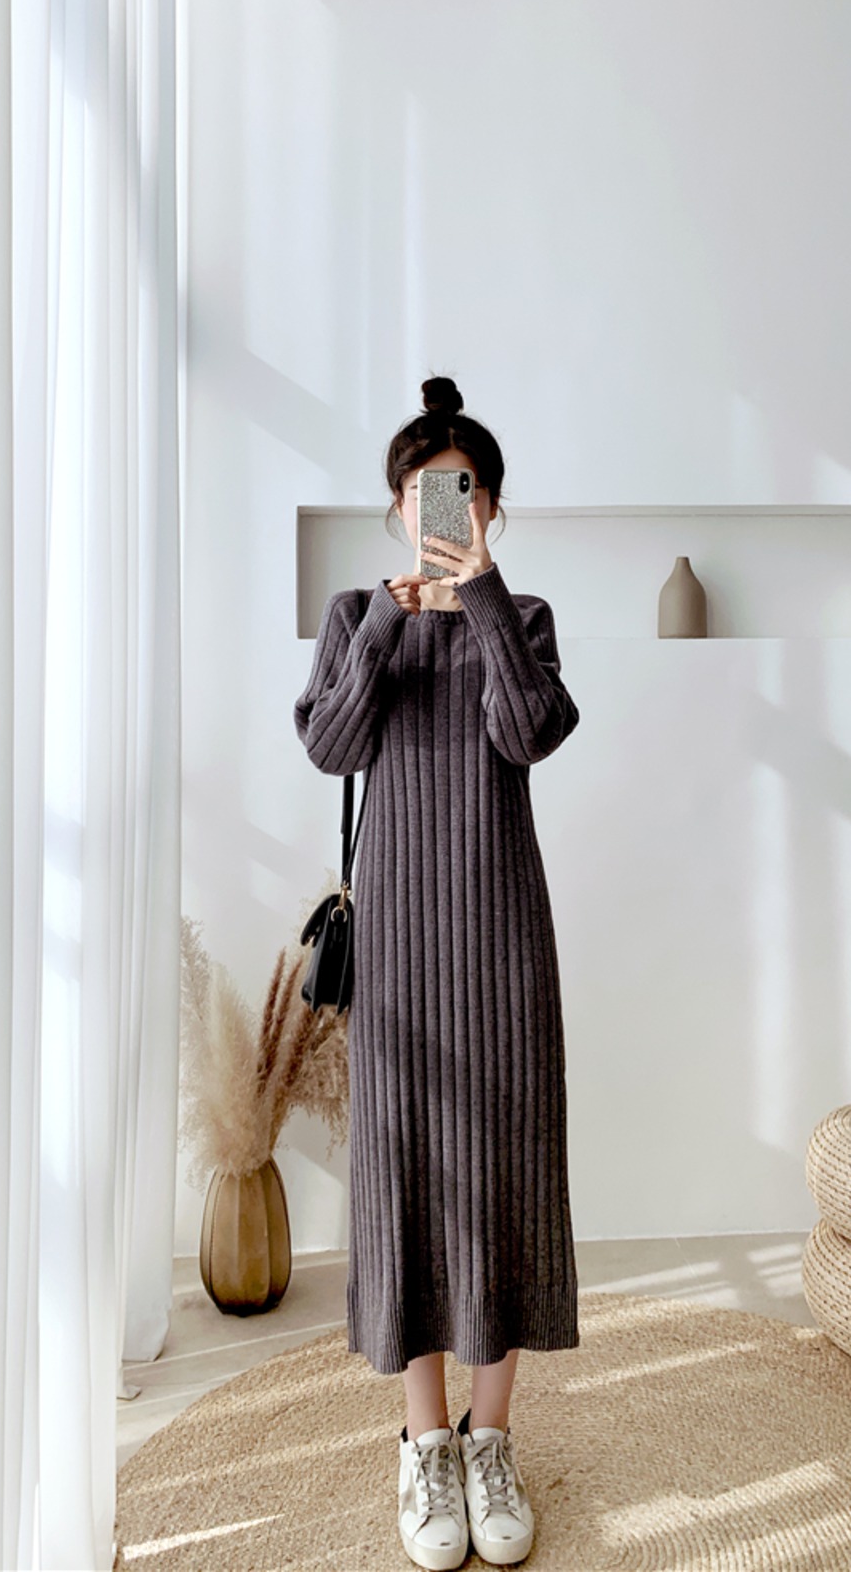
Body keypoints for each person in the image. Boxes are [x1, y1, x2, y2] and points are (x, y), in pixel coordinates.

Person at [294, 376, 581, 1569]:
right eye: (422, 494)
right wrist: (384, 625)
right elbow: (329, 744)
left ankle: (489, 1436)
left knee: (505, 1175)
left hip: (502, 940)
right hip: (402, 951)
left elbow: (529, 730)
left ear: (491, 507)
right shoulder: (354, 613)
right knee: (406, 1176)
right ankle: (423, 1441)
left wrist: (481, 598)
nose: (441, 512)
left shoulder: (522, 616)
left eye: (461, 493)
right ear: (396, 506)